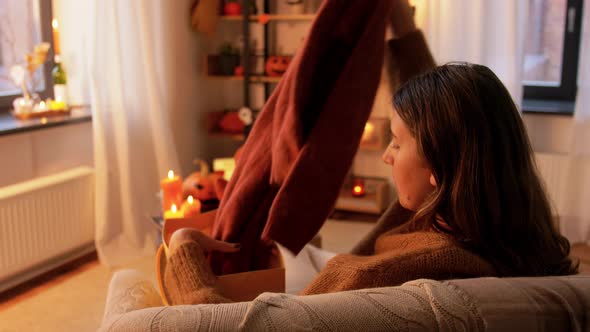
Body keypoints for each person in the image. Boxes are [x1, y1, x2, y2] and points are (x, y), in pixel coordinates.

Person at [163, 1, 578, 305]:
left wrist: (184, 253)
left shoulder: (384, 272)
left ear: (439, 164)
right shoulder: (508, 228)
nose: (387, 156)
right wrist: (400, 24)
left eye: (396, 143)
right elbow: (443, 113)